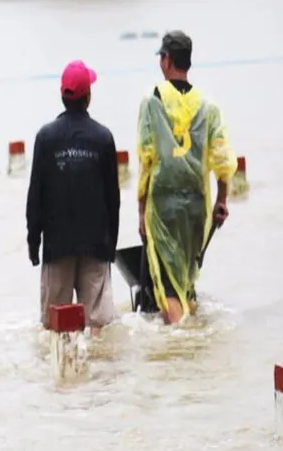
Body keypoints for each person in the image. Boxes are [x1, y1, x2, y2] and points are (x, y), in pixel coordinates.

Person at [136, 31, 237, 325]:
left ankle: (182, 345)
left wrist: (141, 212)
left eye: (161, 57)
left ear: (167, 60)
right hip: (197, 206)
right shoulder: (208, 106)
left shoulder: (152, 101)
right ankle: (193, 352)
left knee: (167, 286)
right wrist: (222, 199)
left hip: (163, 206)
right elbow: (222, 158)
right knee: (187, 279)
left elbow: (146, 156)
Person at [26, 60, 120, 333]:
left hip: (57, 248)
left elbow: (36, 197)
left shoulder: (46, 138)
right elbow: (113, 198)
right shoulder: (103, 138)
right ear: (88, 97)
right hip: (96, 246)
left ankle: (63, 374)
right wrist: (110, 245)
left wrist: (34, 242)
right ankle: (101, 376)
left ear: (62, 96)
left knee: (57, 328)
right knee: (100, 328)